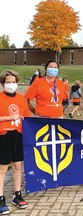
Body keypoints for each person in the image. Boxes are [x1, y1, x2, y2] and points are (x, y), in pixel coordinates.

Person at [0, 70, 31, 214]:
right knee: (3, 167)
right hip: (3, 134)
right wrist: (8, 118)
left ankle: (17, 194)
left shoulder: (21, 98)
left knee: (18, 165)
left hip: (17, 135)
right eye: (8, 82)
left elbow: (27, 118)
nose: (11, 85)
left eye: (13, 82)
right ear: (2, 84)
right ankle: (0, 198)